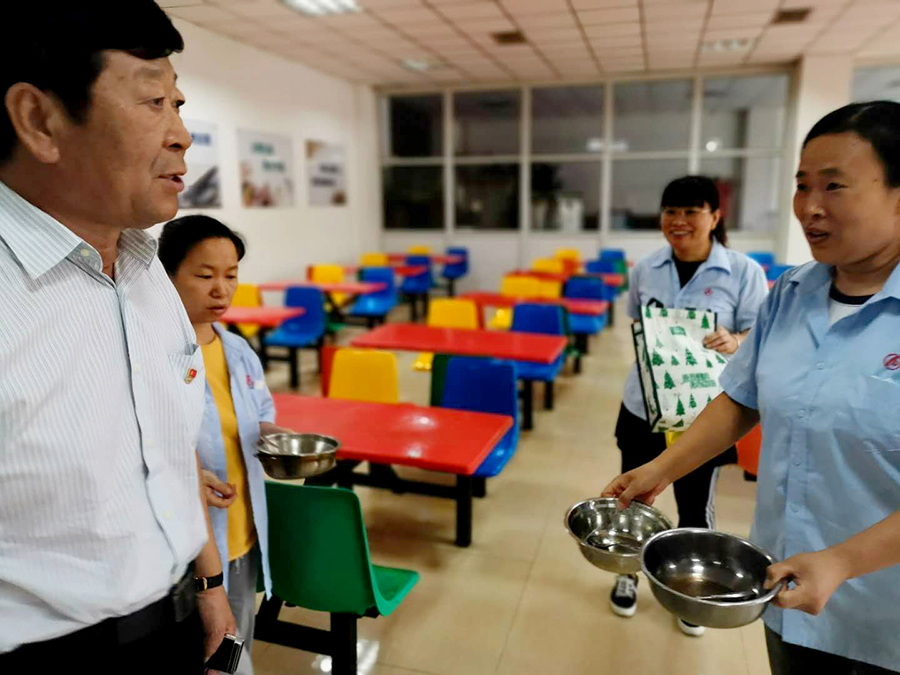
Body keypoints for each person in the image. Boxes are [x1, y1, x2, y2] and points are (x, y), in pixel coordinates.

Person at [604, 101, 900, 674]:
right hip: (782, 584)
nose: (809, 207)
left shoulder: (745, 275)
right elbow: (741, 399)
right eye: (802, 186)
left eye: (834, 186)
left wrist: (842, 562)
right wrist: (660, 470)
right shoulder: (790, 294)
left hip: (882, 613)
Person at [0, 3, 235, 670]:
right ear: (40, 120)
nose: (181, 135)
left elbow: (168, 448)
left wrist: (208, 585)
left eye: (178, 104)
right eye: (154, 101)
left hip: (174, 617)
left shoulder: (147, 269)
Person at [610, 176, 769, 635]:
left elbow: (758, 334)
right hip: (642, 403)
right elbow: (637, 320)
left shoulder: (742, 272)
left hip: (703, 413)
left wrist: (735, 339)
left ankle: (691, 589)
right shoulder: (646, 268)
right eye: (670, 212)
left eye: (690, 211)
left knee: (695, 507)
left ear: (714, 217)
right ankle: (626, 572)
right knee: (631, 495)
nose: (678, 221)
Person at [159, 215, 288, 675]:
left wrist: (276, 439)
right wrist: (193, 475)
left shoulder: (238, 350)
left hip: (242, 535)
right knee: (209, 653)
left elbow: (261, 411)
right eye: (205, 275)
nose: (222, 290)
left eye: (231, 275)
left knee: (234, 642)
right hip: (189, 552)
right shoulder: (157, 356)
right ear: (166, 276)